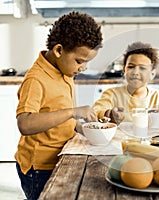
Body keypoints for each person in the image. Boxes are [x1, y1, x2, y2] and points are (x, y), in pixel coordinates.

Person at [15, 11, 103, 200]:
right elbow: (25, 124)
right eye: (80, 61)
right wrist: (73, 112)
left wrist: (86, 128)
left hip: (60, 156)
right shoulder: (36, 79)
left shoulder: (65, 71)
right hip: (38, 169)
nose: (83, 68)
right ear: (58, 50)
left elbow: (60, 118)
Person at [93, 41, 159, 124]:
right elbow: (96, 111)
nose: (135, 72)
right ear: (124, 70)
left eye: (142, 68)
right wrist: (109, 114)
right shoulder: (112, 94)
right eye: (131, 67)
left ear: (152, 74)